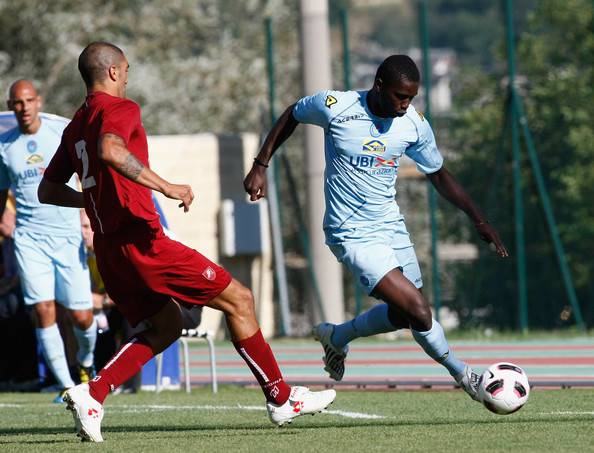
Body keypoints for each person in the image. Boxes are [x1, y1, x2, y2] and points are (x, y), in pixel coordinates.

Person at [38, 41, 335, 443]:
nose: (127, 78)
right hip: (144, 242)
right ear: (112, 72)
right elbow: (110, 149)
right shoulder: (120, 108)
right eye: (126, 70)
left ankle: (94, 393)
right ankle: (281, 398)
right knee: (240, 299)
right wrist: (166, 186)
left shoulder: (75, 124)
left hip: (110, 251)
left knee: (166, 326)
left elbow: (48, 190)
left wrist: (90, 201)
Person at [244, 55, 509, 401]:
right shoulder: (336, 106)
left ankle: (338, 337)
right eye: (400, 96)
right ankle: (465, 375)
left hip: (390, 226)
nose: (405, 104)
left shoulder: (413, 124)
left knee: (403, 315)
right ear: (379, 86)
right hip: (351, 232)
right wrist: (260, 165)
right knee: (419, 311)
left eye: (411, 98)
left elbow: (439, 175)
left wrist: (479, 220)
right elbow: (293, 114)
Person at [0, 80, 97, 402]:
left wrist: (88, 216)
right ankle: (66, 386)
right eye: (17, 102)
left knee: (81, 317)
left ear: (38, 101)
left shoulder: (61, 133)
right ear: (11, 106)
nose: (24, 107)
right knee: (43, 310)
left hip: (67, 237)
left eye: (28, 100)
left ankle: (86, 364)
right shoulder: (4, 146)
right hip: (29, 239)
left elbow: (85, 175)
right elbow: (1, 194)